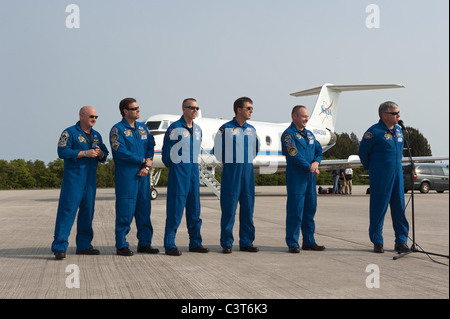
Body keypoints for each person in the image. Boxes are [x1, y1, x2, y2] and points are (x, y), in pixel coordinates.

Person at [52, 106, 109, 260]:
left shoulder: (96, 135)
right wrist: (85, 153)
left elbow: (104, 155)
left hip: (90, 181)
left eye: (96, 117)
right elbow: (62, 151)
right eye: (91, 116)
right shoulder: (69, 132)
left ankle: (84, 245)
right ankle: (59, 247)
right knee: (67, 212)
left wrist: (100, 153)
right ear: (81, 115)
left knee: (87, 213)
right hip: (74, 180)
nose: (94, 119)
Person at [358, 101, 410, 254]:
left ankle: (401, 241)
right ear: (384, 115)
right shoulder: (373, 132)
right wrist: (374, 168)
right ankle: (377, 241)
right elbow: (363, 153)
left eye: (398, 113)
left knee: (399, 208)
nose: (398, 116)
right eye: (395, 113)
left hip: (397, 175)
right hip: (381, 175)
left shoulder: (399, 131)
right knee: (378, 208)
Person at [110, 98, 158, 256]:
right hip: (127, 176)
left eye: (138, 107)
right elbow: (121, 152)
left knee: (144, 210)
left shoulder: (143, 128)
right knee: (125, 210)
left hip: (143, 175)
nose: (138, 110)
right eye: (134, 108)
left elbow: (151, 146)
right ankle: (121, 244)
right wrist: (142, 161)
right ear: (125, 111)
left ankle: (145, 243)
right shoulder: (117, 130)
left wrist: (146, 165)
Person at [162, 98, 209, 256]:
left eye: (197, 107)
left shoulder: (198, 130)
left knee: (194, 209)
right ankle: (170, 244)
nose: (194, 110)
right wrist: (175, 167)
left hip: (193, 171)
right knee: (175, 210)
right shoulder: (174, 128)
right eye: (191, 107)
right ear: (183, 109)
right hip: (179, 170)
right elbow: (166, 153)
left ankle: (195, 243)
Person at [213, 97, 260, 254]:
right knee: (229, 209)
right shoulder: (224, 129)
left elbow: (255, 149)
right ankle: (226, 242)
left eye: (252, 108)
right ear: (239, 110)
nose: (251, 111)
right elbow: (218, 151)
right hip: (231, 174)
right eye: (248, 108)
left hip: (247, 173)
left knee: (248, 209)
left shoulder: (251, 130)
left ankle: (246, 242)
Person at [281, 105, 325, 253]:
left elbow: (319, 150)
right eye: (303, 116)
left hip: (310, 178)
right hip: (297, 178)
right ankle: (293, 243)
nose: (306, 119)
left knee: (310, 210)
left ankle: (309, 241)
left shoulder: (310, 135)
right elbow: (293, 154)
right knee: (295, 210)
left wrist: (316, 162)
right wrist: (309, 167)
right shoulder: (288, 135)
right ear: (294, 117)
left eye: (307, 116)